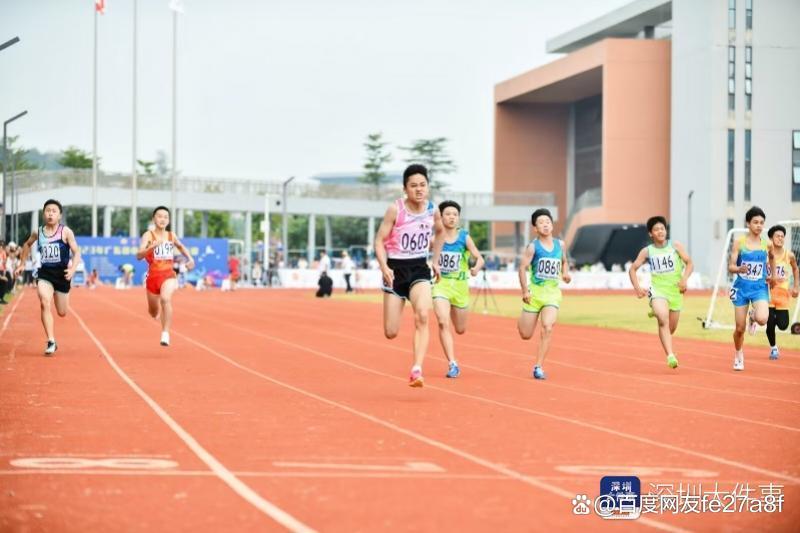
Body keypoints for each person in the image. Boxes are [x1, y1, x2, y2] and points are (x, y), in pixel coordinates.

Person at [374, 164, 445, 387]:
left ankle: (417, 369)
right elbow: (379, 241)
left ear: (428, 187)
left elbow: (441, 232)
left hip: (419, 269)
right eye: (413, 186)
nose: (419, 189)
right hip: (395, 270)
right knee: (391, 332)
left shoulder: (433, 210)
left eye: (423, 185)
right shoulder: (395, 210)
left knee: (423, 315)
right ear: (405, 188)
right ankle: (399, 303)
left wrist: (435, 261)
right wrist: (384, 266)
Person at [15, 199, 82, 356]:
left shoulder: (65, 232)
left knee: (62, 312)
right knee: (44, 302)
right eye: (48, 211)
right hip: (45, 274)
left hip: (62, 275)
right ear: (43, 214)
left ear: (59, 215)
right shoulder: (38, 232)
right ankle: (51, 340)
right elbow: (26, 245)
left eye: (54, 211)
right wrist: (21, 264)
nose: (50, 213)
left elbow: (77, 251)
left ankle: (61, 294)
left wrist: (72, 269)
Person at [628, 216, 694, 369]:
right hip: (658, 290)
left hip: (675, 291)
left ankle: (657, 312)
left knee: (671, 328)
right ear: (651, 233)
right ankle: (670, 355)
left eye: (662, 229)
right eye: (656, 229)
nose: (660, 232)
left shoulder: (675, 246)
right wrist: (637, 288)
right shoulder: (647, 251)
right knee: (663, 319)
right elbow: (632, 269)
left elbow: (689, 263)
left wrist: (684, 279)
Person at [432, 200, 484, 378]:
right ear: (441, 217)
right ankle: (452, 363)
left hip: (460, 287)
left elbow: (479, 257)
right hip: (441, 285)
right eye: (447, 214)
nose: (451, 217)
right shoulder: (435, 238)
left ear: (458, 218)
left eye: (455, 214)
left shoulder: (464, 237)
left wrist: (476, 268)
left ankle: (455, 317)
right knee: (442, 322)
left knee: (460, 329)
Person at [517, 208, 571, 380]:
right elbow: (522, 268)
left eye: (548, 221)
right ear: (535, 228)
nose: (545, 225)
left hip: (552, 293)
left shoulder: (560, 244)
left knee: (547, 327)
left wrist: (565, 273)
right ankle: (524, 318)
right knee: (525, 334)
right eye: (541, 222)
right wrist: (525, 290)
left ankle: (538, 366)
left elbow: (564, 261)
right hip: (534, 294)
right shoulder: (533, 247)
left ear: (552, 224)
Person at [136, 206, 195, 346]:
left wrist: (190, 258)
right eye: (159, 216)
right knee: (153, 311)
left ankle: (165, 333)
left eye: (165, 217)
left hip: (168, 275)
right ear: (153, 219)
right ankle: (156, 314)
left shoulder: (171, 235)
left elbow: (180, 246)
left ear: (168, 220)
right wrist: (151, 247)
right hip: (152, 278)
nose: (162, 219)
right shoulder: (148, 235)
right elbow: (138, 255)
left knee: (165, 298)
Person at [728, 206, 775, 371]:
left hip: (759, 287)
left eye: (762, 222)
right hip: (741, 288)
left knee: (763, 318)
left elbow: (772, 258)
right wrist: (738, 269)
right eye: (755, 222)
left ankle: (753, 317)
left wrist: (773, 275)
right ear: (748, 223)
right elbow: (731, 266)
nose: (759, 225)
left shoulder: (767, 244)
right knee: (739, 329)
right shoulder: (739, 242)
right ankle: (738, 354)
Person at [765, 224, 799, 360]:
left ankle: (756, 315)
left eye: (782, 236)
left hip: (783, 294)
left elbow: (796, 269)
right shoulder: (766, 254)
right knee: (770, 322)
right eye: (777, 236)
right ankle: (773, 348)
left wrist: (796, 286)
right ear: (771, 238)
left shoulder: (789, 255)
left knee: (784, 325)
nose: (780, 238)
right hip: (767, 293)